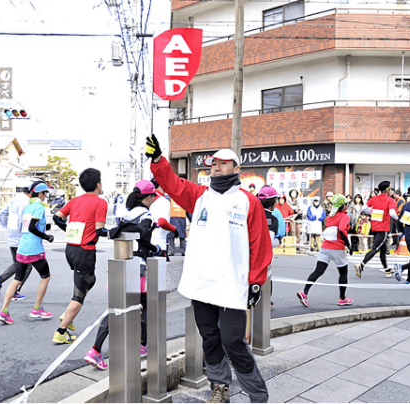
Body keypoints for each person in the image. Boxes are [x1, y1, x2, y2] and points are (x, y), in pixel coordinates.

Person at [146, 135, 272, 404]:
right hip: (201, 283)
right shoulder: (199, 196)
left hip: (232, 286)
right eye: (213, 164)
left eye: (222, 164)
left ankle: (258, 393)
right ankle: (220, 387)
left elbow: (260, 246)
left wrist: (255, 283)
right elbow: (172, 183)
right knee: (210, 338)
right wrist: (157, 160)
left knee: (233, 341)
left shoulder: (249, 202)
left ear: (236, 169)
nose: (215, 168)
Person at [84, 180, 160, 369]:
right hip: (139, 267)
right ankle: (142, 346)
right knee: (144, 307)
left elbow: (114, 233)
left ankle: (95, 349)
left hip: (120, 265)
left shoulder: (124, 214)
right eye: (153, 197)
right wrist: (155, 248)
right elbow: (142, 235)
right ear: (149, 197)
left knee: (116, 308)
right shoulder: (146, 215)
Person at [52, 168, 107, 345]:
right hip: (85, 251)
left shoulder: (75, 201)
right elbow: (100, 229)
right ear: (98, 184)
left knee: (91, 281)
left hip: (71, 249)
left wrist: (69, 230)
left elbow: (57, 217)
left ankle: (68, 313)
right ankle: (61, 330)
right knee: (79, 294)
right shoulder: (100, 203)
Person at [0, 181, 54, 325]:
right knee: (45, 277)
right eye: (45, 193)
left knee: (17, 278)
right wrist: (47, 236)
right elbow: (33, 228)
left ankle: (4, 311)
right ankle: (37, 309)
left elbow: (28, 226)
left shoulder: (28, 207)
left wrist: (44, 227)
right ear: (40, 194)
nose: (46, 196)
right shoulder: (39, 207)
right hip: (34, 248)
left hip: (22, 246)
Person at [297, 194, 354, 308]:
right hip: (337, 247)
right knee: (343, 273)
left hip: (325, 247)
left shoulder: (330, 217)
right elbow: (342, 230)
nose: (347, 205)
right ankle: (342, 298)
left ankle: (305, 292)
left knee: (318, 271)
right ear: (343, 205)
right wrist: (349, 245)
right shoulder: (344, 216)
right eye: (346, 203)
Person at [0, 179, 33, 301]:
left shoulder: (14, 200)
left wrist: (7, 227)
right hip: (22, 238)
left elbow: (1, 215)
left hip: (11, 236)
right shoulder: (28, 203)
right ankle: (13, 289)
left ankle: (1, 282)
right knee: (26, 265)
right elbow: (26, 221)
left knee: (19, 263)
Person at [354, 181, 399, 278]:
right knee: (376, 248)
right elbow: (392, 212)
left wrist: (374, 212)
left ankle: (386, 269)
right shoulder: (390, 200)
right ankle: (361, 265)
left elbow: (365, 208)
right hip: (384, 228)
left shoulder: (373, 198)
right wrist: (398, 219)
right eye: (390, 188)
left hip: (375, 226)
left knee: (383, 249)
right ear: (387, 190)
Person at [149, 179, 177, 261]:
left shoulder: (147, 199)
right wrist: (173, 229)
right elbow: (162, 222)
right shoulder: (163, 201)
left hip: (145, 241)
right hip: (158, 242)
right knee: (157, 272)